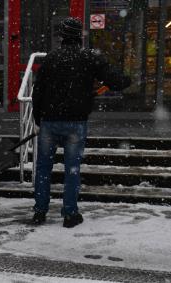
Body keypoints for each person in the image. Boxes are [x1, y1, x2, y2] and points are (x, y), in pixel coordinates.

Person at [31, 17, 131, 228]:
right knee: (72, 169)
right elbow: (115, 81)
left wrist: (38, 118)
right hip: (76, 122)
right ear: (79, 37)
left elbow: (37, 91)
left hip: (50, 121)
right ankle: (70, 213)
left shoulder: (51, 59)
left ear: (62, 37)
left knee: (43, 168)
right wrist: (126, 80)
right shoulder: (89, 58)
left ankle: (40, 211)